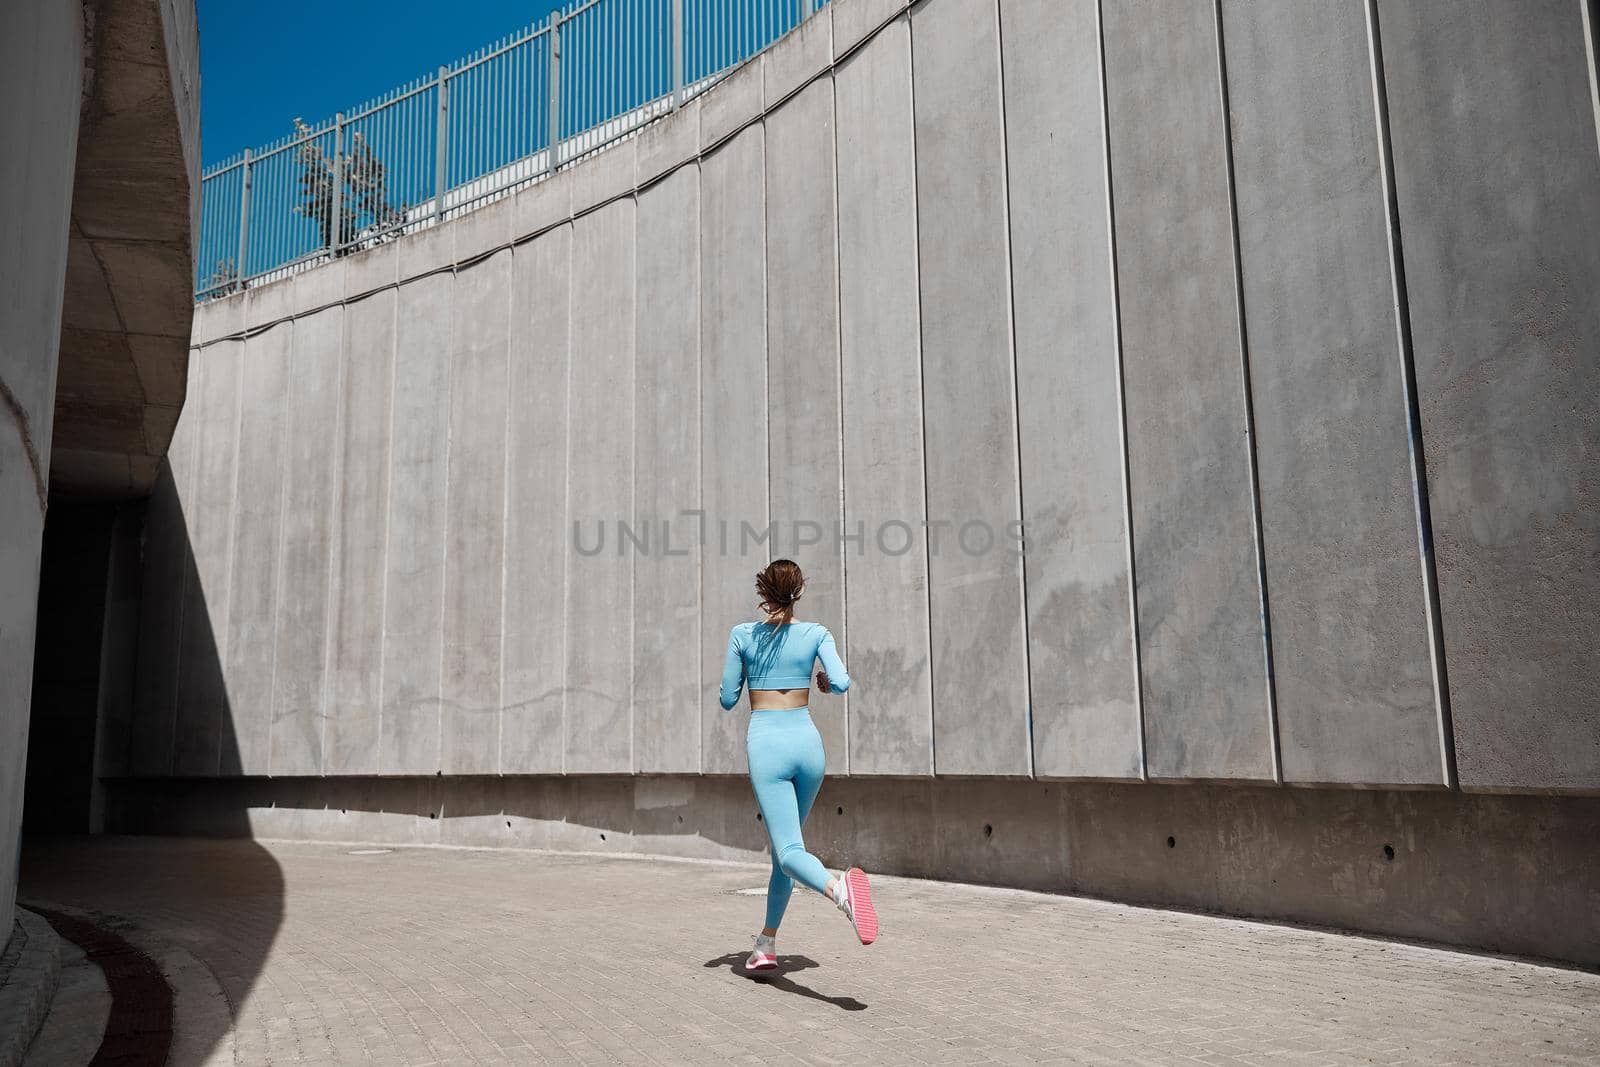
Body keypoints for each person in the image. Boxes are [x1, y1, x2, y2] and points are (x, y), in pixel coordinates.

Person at [720, 558, 877, 972]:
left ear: (762, 592)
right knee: (783, 854)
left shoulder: (742, 635)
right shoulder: (815, 633)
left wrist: (748, 671)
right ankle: (766, 944)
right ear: (799, 591)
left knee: (790, 851)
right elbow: (841, 682)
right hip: (809, 748)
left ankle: (841, 890)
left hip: (768, 746)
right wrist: (821, 681)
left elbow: (726, 698)